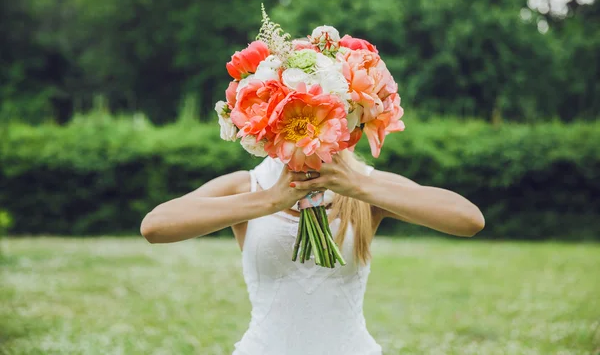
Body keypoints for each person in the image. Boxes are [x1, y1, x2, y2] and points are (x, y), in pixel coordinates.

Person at [140, 149, 485, 355]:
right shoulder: (249, 185)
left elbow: (468, 219)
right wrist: (270, 200)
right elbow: (155, 226)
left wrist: (358, 185)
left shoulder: (364, 185)